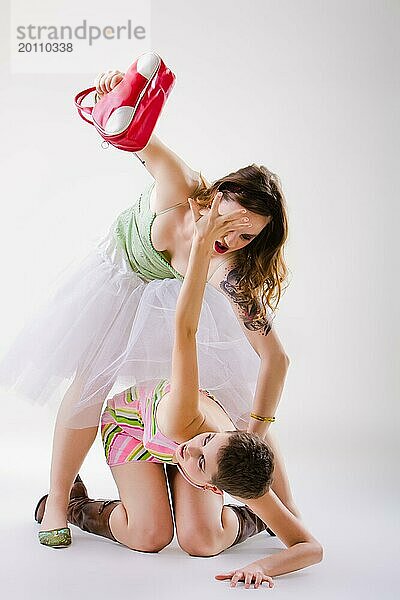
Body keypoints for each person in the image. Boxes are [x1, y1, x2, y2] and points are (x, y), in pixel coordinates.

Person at [0, 66, 295, 541]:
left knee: (232, 397)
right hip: (117, 279)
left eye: (248, 236)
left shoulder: (229, 266)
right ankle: (59, 501)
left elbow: (275, 357)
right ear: (216, 194)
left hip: (173, 300)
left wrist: (256, 432)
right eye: (232, 222)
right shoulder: (181, 185)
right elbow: (137, 139)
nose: (233, 239)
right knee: (90, 382)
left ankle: (282, 509)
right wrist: (115, 98)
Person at [35, 194, 323, 588]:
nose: (193, 447)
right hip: (135, 428)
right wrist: (202, 247)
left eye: (202, 461)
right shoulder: (187, 420)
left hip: (209, 461)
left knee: (202, 542)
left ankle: (250, 518)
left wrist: (263, 567)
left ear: (215, 485)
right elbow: (185, 330)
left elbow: (310, 548)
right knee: (149, 536)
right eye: (207, 441)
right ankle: (75, 505)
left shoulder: (229, 464)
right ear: (224, 436)